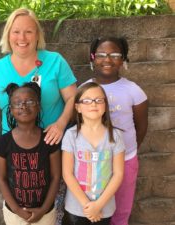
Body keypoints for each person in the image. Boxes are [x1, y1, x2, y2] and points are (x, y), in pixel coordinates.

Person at [0, 7, 77, 146]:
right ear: (8, 35)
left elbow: (73, 98)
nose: (22, 38)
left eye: (28, 32)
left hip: (52, 141)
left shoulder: (55, 61)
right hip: (14, 146)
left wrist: (60, 125)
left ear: (37, 35)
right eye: (16, 32)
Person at [87, 37, 148, 225]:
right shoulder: (84, 90)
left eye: (115, 55)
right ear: (92, 58)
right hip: (93, 162)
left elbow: (141, 127)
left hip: (126, 159)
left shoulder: (133, 91)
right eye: (102, 55)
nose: (108, 59)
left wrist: (127, 150)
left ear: (123, 59)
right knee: (94, 210)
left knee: (121, 211)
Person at [0, 82, 61, 225]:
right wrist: (17, 210)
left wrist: (43, 209)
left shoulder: (49, 139)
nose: (23, 106)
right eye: (17, 103)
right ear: (11, 109)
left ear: (39, 106)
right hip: (15, 214)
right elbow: (1, 178)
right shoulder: (4, 142)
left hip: (45, 213)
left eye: (30, 101)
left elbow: (56, 177)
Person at [62, 82, 125, 225]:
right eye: (87, 100)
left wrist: (98, 205)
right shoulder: (71, 136)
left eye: (98, 100)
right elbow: (67, 173)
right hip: (76, 209)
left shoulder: (116, 135)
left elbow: (118, 174)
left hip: (104, 208)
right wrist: (88, 206)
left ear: (105, 105)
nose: (93, 104)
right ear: (78, 107)